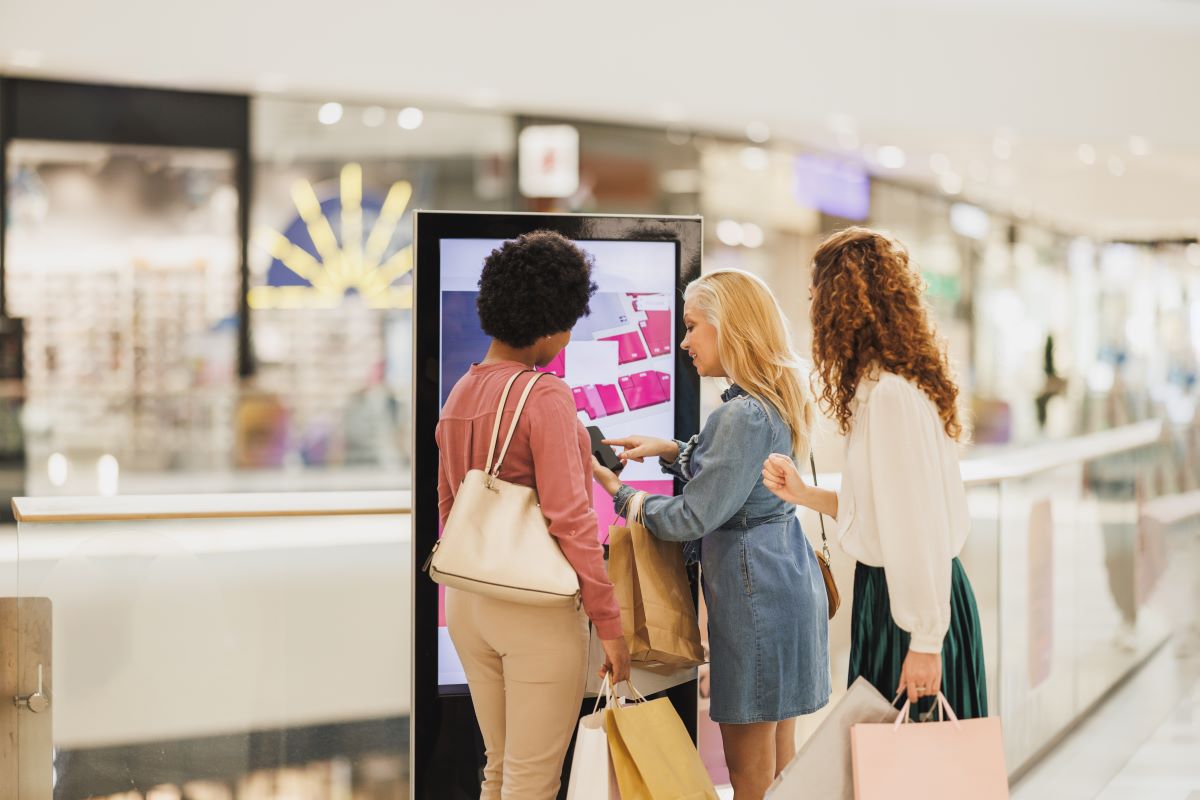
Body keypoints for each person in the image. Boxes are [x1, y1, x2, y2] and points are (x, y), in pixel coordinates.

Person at [592, 269, 830, 800]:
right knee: (780, 769)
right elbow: (738, 476)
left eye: (693, 326)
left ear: (731, 328)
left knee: (749, 776)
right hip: (785, 580)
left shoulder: (740, 414)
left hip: (754, 599)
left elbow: (690, 518)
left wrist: (621, 493)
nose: (684, 342)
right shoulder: (775, 399)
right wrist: (671, 449)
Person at [762, 226, 988, 718]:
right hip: (904, 601)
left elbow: (914, 525)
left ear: (843, 302)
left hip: (906, 609)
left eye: (817, 294)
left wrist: (926, 639)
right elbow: (888, 511)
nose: (813, 308)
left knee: (908, 774)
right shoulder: (890, 388)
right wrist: (806, 494)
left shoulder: (889, 396)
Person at [436, 231, 631, 800]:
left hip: (469, 604)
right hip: (534, 608)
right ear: (548, 323)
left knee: (500, 771)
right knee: (533, 781)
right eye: (570, 322)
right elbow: (572, 522)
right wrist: (610, 624)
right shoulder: (545, 395)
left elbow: (451, 507)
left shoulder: (460, 393)